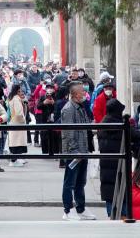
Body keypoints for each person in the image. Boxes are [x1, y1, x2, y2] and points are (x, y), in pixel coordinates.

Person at [60, 83, 97, 221]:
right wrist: (75, 152)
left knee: (80, 182)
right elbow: (69, 133)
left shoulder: (81, 106)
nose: (85, 93)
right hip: (74, 152)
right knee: (70, 182)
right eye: (82, 91)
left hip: (83, 150)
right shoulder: (69, 109)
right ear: (75, 94)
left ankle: (81, 208)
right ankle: (68, 210)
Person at [97, 96, 126, 218]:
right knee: (121, 188)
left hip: (106, 163)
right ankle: (122, 213)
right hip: (118, 162)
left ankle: (111, 213)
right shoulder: (118, 124)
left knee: (109, 189)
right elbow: (134, 135)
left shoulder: (104, 122)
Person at [7, 84, 29, 165]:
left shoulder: (13, 98)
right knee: (17, 143)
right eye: (20, 91)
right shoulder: (16, 99)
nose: (21, 92)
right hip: (18, 124)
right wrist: (23, 120)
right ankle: (14, 161)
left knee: (15, 142)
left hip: (14, 122)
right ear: (17, 91)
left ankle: (15, 160)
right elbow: (19, 113)